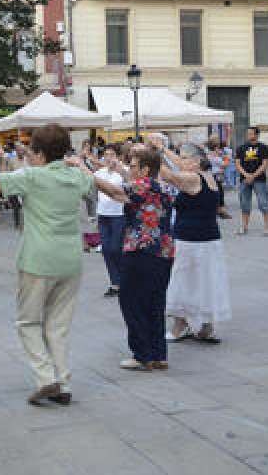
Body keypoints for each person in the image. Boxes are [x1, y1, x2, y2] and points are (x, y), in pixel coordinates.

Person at [0, 126, 93, 406]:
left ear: (40, 153)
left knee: (28, 321)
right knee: (58, 326)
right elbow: (93, 186)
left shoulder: (33, 176)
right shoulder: (75, 175)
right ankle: (64, 381)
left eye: (32, 151)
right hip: (71, 258)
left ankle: (46, 378)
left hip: (38, 258)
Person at [85, 146, 175, 371]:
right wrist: (124, 173)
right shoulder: (163, 186)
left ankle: (142, 354)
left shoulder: (142, 185)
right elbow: (133, 186)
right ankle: (158, 354)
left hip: (140, 250)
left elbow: (116, 192)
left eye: (133, 166)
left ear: (144, 169)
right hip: (163, 251)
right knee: (155, 301)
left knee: (130, 300)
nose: (129, 169)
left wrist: (86, 173)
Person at [146, 138, 230, 344]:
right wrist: (163, 149)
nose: (180, 161)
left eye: (185, 159)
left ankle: (180, 325)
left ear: (196, 161)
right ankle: (206, 326)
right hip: (207, 239)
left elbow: (169, 175)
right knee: (205, 282)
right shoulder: (208, 176)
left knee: (183, 281)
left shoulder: (193, 179)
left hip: (192, 240)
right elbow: (179, 163)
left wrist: (151, 157)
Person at [94, 144, 125, 297]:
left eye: (112, 154)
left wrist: (121, 169)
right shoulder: (99, 172)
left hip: (119, 214)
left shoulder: (123, 172)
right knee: (106, 250)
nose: (108, 158)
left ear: (118, 156)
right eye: (106, 155)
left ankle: (123, 280)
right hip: (103, 214)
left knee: (116, 248)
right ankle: (115, 283)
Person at [235, 127, 268, 236]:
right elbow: (238, 164)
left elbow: (265, 164)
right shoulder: (241, 148)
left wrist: (253, 176)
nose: (249, 135)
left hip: (259, 179)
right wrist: (246, 175)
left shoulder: (263, 147)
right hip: (244, 179)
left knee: (263, 203)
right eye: (248, 133)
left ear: (257, 135)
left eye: (251, 133)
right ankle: (244, 227)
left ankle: (267, 227)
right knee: (244, 203)